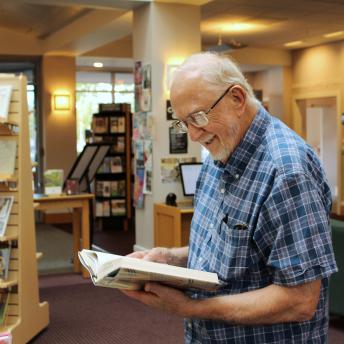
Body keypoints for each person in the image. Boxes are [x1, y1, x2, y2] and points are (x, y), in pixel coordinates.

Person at [121, 52, 338, 343]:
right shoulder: (217, 155)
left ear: (237, 99)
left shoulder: (287, 172)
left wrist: (191, 308)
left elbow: (299, 300)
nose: (194, 135)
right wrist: (170, 257)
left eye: (198, 117)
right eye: (184, 123)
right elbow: (232, 247)